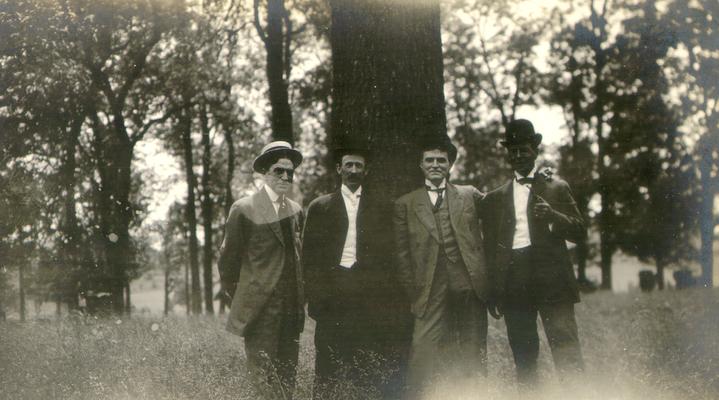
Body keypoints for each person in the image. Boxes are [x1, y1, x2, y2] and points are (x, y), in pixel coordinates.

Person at [482, 119, 586, 386]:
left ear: (535, 151)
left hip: (553, 279)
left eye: (524, 150)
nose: (518, 156)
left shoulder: (556, 187)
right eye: (513, 151)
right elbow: (491, 248)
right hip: (515, 281)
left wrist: (553, 216)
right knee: (524, 353)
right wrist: (494, 290)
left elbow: (580, 231)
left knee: (565, 346)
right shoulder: (496, 197)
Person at [303, 147, 412, 399]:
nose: (353, 171)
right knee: (328, 366)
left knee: (367, 364)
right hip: (333, 296)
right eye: (348, 165)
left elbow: (390, 257)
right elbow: (310, 258)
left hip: (368, 297)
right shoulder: (320, 207)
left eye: (358, 166)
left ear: (366, 170)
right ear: (339, 169)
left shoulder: (383, 206)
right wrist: (317, 298)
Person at [393, 138, 494, 397]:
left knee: (473, 346)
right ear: (421, 164)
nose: (435, 165)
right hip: (428, 286)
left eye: (441, 160)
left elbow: (502, 208)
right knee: (422, 347)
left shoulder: (468, 194)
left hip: (467, 281)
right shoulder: (406, 203)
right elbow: (402, 255)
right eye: (430, 160)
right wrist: (412, 289)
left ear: (449, 165)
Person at [218, 140, 305, 399]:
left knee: (287, 374)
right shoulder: (244, 208)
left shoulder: (296, 211)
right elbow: (228, 262)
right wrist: (247, 295)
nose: (285, 177)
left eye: (290, 172)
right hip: (261, 309)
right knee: (262, 377)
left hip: (292, 306)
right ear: (265, 172)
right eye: (279, 170)